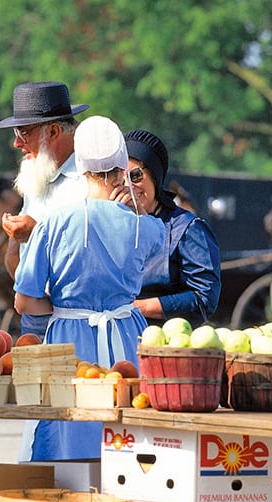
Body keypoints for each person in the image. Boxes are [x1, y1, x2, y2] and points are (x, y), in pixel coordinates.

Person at [14, 116, 165, 461]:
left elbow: (25, 302)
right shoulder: (146, 228)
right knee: (129, 435)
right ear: (121, 168)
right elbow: (160, 244)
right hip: (128, 338)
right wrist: (138, 211)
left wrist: (61, 309)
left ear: (80, 167)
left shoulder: (54, 223)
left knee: (68, 439)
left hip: (69, 344)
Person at [0, 81, 89, 339]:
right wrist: (15, 245)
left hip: (76, 320)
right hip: (37, 316)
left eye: (23, 132)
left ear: (55, 131)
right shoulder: (38, 175)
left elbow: (91, 248)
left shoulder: (89, 179)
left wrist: (35, 232)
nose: (17, 143)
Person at [123, 129, 221, 327]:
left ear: (155, 177)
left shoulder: (188, 229)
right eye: (120, 177)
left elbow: (204, 298)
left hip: (165, 341)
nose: (129, 185)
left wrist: (137, 308)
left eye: (135, 176)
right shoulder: (110, 226)